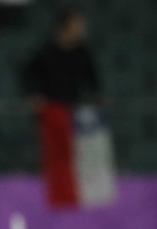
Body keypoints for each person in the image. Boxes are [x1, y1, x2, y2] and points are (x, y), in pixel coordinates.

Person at [22, 7, 104, 207]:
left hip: (76, 110)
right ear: (66, 26)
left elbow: (92, 78)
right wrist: (33, 95)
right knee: (55, 157)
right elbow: (28, 73)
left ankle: (81, 197)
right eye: (78, 25)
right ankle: (58, 199)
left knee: (79, 155)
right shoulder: (46, 50)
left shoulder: (82, 51)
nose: (83, 29)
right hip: (52, 110)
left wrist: (97, 96)